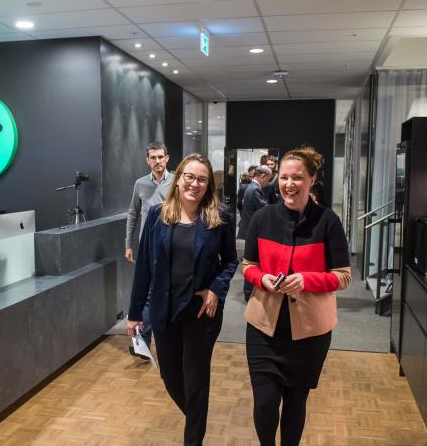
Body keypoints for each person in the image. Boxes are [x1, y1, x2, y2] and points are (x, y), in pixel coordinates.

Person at [241, 147, 351, 446]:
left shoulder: (328, 222)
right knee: (264, 403)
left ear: (312, 179)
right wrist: (262, 278)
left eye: (297, 177)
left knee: (295, 402)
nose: (289, 184)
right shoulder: (263, 218)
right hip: (264, 327)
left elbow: (343, 276)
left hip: (309, 334)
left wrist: (306, 280)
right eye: (284, 177)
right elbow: (248, 266)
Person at [127, 153, 238, 446]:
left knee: (196, 382)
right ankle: (197, 419)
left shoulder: (220, 216)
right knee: (171, 378)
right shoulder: (158, 214)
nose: (195, 183)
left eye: (202, 179)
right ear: (179, 179)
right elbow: (144, 268)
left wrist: (216, 288)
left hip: (201, 313)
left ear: (208, 185)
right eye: (189, 176)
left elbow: (230, 261)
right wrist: (134, 312)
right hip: (165, 312)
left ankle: (194, 440)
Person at [125, 141, 173, 358]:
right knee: (146, 293)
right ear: (147, 160)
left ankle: (150, 340)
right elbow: (133, 214)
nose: (157, 161)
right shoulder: (140, 184)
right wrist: (128, 244)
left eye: (160, 157)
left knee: (159, 293)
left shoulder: (177, 183)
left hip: (170, 247)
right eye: (153, 157)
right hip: (147, 248)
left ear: (167, 158)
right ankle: (143, 342)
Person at [238, 165, 271, 301]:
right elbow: (265, 209)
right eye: (268, 179)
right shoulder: (255, 189)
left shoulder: (249, 188)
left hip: (249, 228)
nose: (268, 183)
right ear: (262, 176)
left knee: (251, 260)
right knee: (252, 261)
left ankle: (249, 290)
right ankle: (248, 291)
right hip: (253, 230)